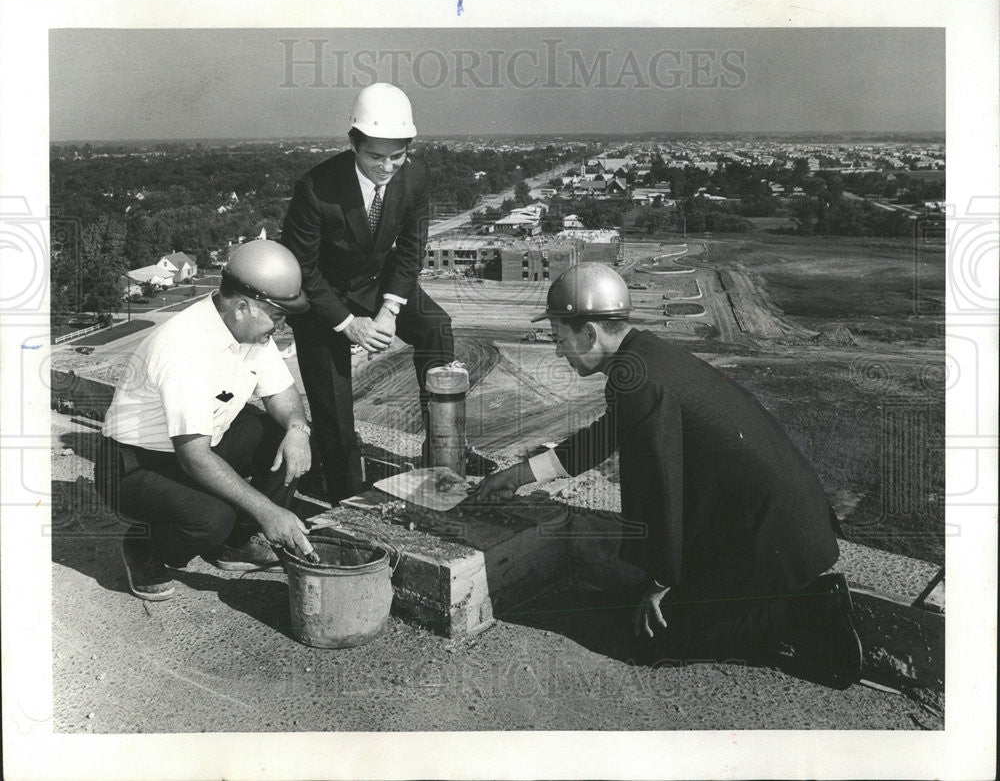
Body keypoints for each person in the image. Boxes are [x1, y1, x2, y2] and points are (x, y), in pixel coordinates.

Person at [472, 263, 863, 689]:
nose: (558, 350)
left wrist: (660, 582)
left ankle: (806, 612)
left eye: (559, 337)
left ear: (589, 334)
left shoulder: (636, 380)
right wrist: (522, 473)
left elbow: (659, 489)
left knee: (652, 641)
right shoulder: (644, 356)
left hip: (773, 537)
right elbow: (607, 436)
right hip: (778, 521)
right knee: (631, 609)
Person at [95, 239, 317, 602]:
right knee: (211, 519)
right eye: (278, 316)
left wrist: (298, 429)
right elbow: (194, 457)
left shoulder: (248, 331)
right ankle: (144, 547)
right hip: (134, 464)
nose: (282, 325)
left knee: (291, 442)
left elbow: (283, 395)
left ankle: (234, 543)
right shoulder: (185, 347)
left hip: (198, 445)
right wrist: (269, 511)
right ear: (243, 307)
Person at [281, 82, 455, 503]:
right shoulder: (315, 189)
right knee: (334, 406)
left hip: (378, 283)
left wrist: (390, 310)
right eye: (376, 156)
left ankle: (443, 456)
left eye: (397, 156)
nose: (387, 167)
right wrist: (347, 323)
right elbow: (300, 269)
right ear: (353, 144)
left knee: (436, 327)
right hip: (324, 295)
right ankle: (346, 498)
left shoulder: (414, 176)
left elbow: (411, 249)